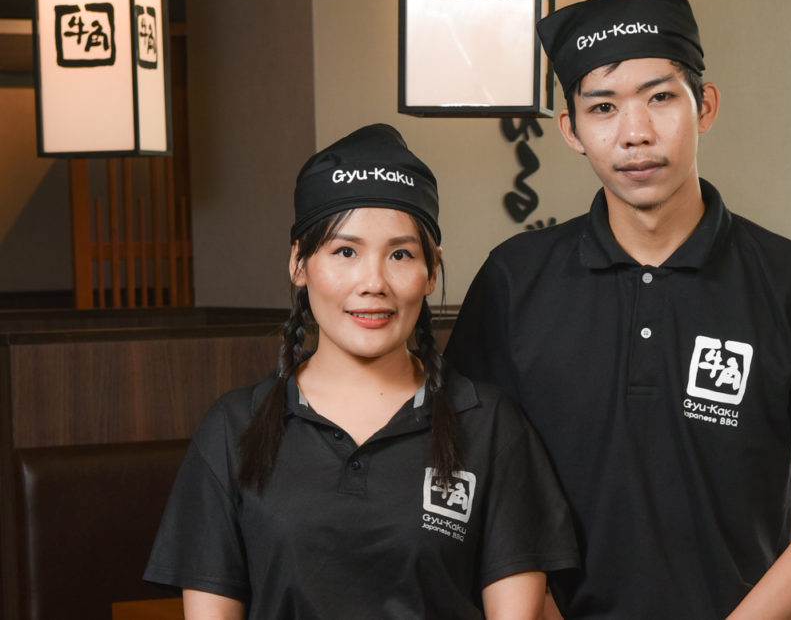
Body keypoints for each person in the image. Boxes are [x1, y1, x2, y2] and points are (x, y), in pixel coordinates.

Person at [444, 0, 791, 619]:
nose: (635, 133)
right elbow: (473, 485)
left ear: (704, 106)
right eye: (603, 108)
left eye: (660, 98)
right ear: (571, 129)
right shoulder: (514, 280)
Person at [144, 124, 579, 619]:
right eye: (345, 252)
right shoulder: (233, 427)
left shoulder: (488, 424)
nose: (373, 282)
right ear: (299, 264)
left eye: (400, 254)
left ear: (432, 271)